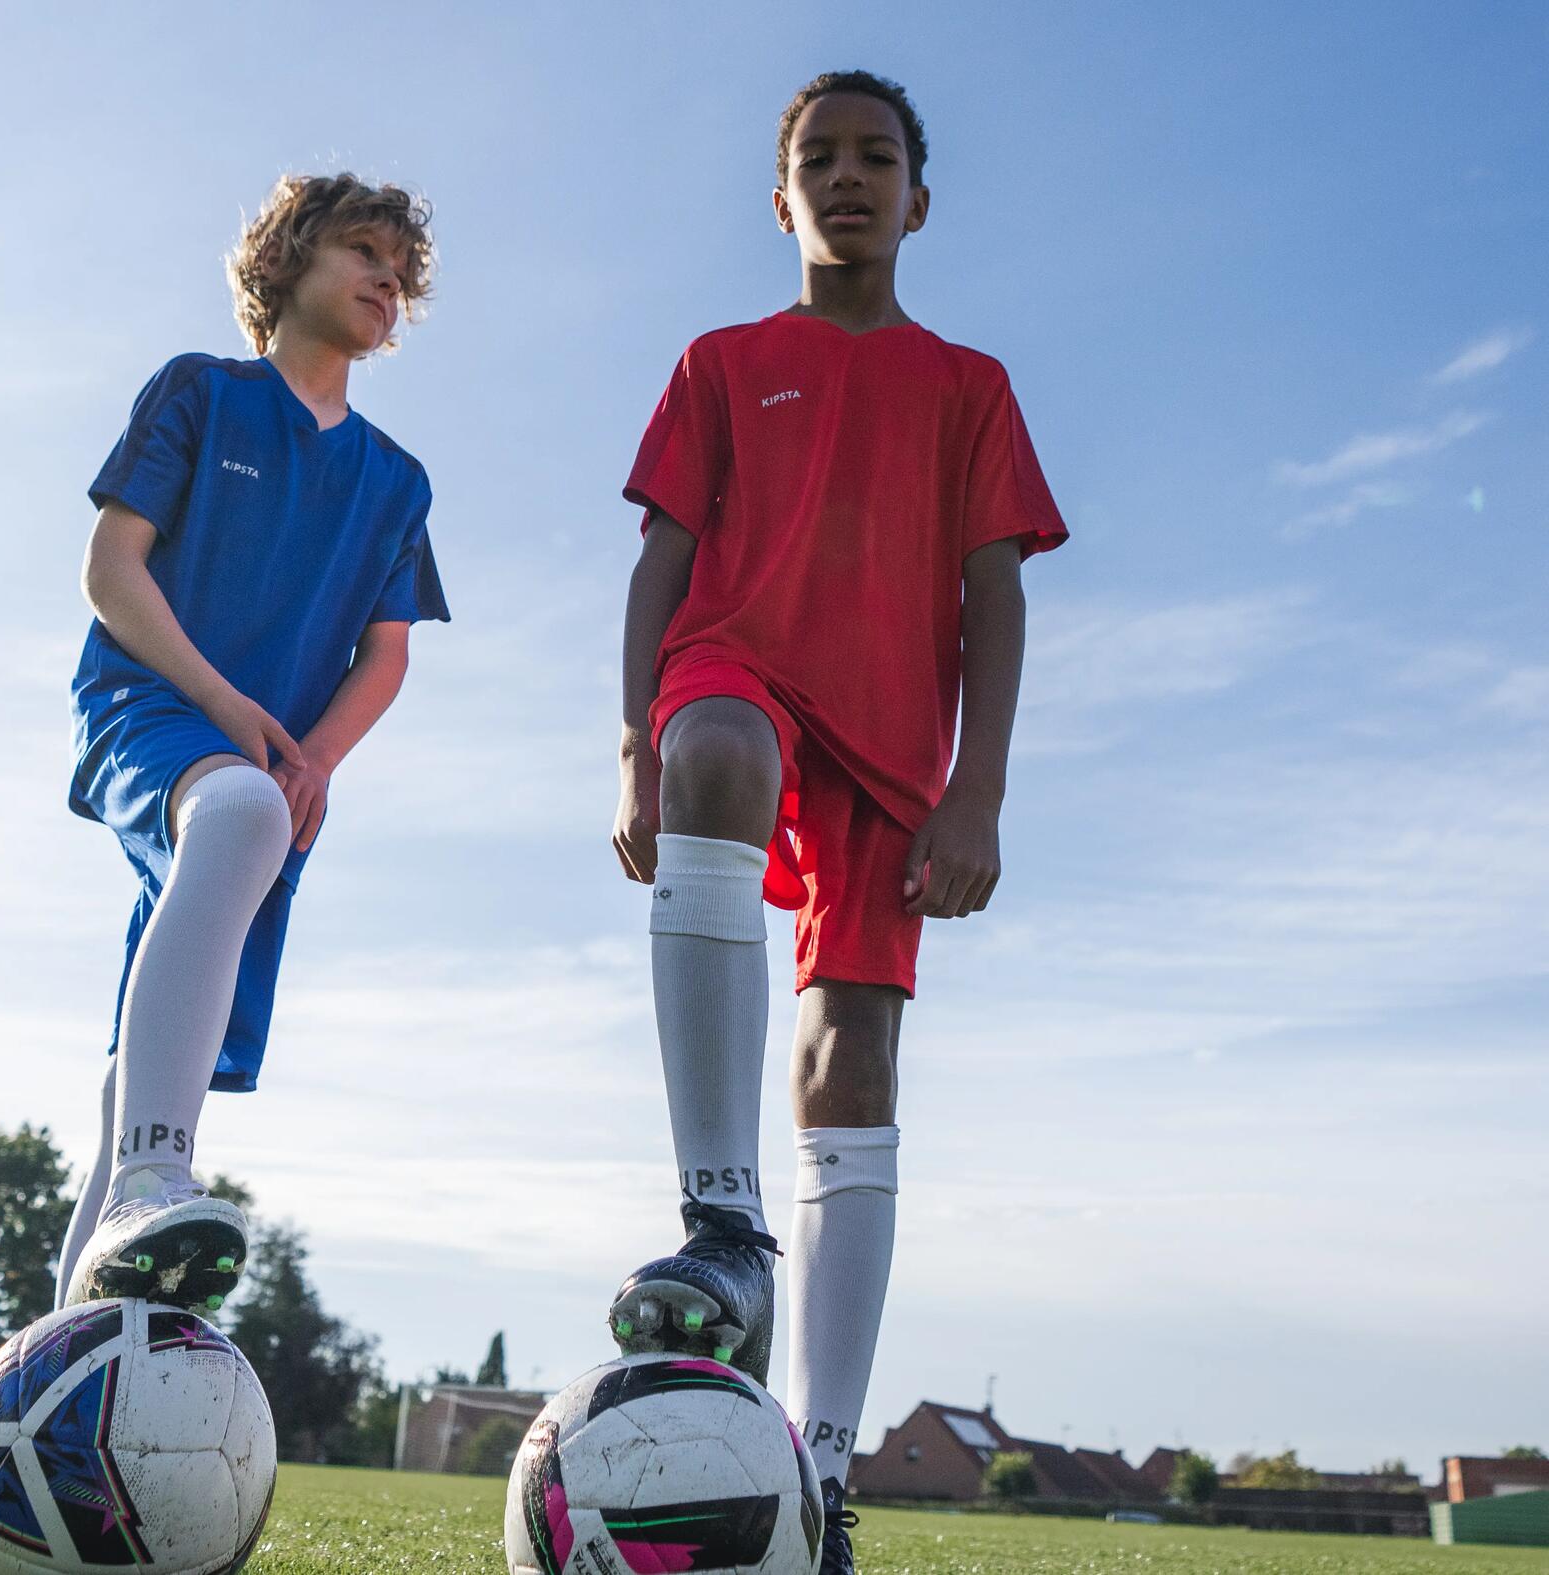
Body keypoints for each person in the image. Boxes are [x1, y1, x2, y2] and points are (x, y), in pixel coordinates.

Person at [607, 71, 1067, 1571]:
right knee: (718, 748)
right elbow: (660, 566)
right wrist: (635, 746)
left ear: (919, 200)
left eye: (878, 157)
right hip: (739, 664)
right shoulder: (724, 362)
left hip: (893, 745)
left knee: (852, 1055)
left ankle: (817, 1462)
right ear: (783, 195)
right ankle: (721, 1215)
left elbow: (996, 595)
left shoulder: (971, 384)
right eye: (821, 157)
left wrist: (976, 785)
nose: (850, 176)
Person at [54, 172, 448, 1317]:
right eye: (362, 251)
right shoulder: (201, 392)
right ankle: (156, 1179)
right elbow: (111, 570)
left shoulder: (396, 479)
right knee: (236, 816)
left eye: (401, 269)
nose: (387, 278)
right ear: (286, 262)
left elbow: (387, 654)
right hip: (151, 708)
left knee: (151, 1058)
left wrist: (312, 759)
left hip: (275, 774)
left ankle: (63, 1342)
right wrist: (229, 713)